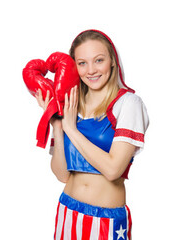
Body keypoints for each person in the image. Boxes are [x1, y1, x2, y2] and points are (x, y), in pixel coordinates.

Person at [37, 30, 149, 240]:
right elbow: (62, 175)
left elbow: (113, 169)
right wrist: (58, 126)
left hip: (105, 221)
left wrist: (71, 129)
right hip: (67, 210)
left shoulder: (128, 104)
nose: (91, 70)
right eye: (82, 63)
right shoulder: (70, 104)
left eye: (99, 60)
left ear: (112, 61)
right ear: (73, 67)